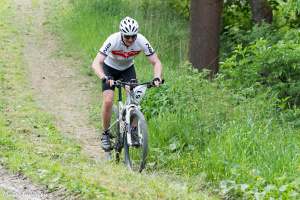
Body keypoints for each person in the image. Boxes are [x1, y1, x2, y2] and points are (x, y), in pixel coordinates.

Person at [91, 16, 163, 152]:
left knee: (134, 99)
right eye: (127, 36)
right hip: (109, 69)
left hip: (127, 69)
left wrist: (157, 77)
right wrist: (104, 77)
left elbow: (156, 62)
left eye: (133, 36)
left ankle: (133, 131)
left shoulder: (141, 40)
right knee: (108, 100)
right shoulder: (113, 39)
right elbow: (96, 63)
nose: (130, 40)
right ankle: (105, 134)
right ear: (122, 34)